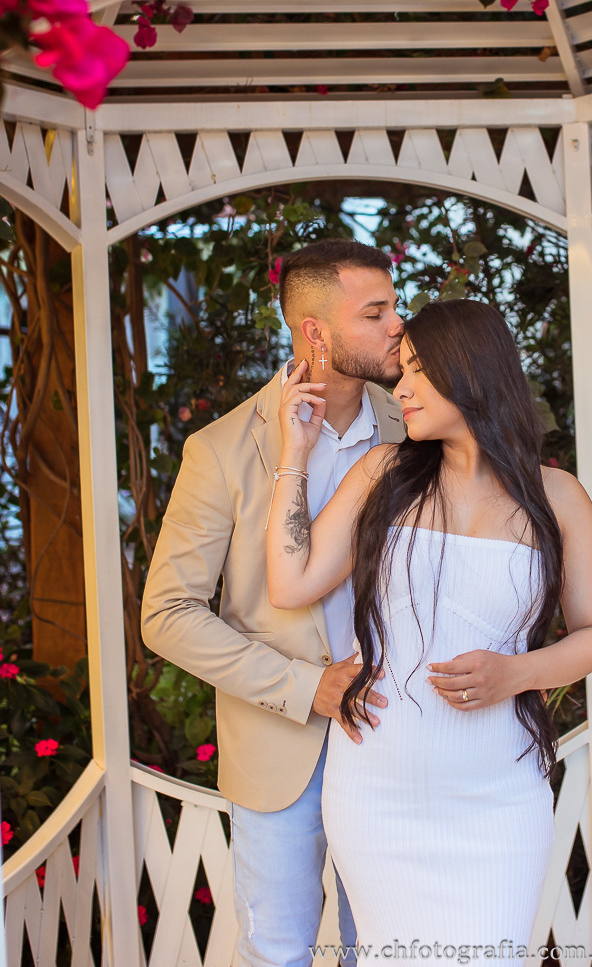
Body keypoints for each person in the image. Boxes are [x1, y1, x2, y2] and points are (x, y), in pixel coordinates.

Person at [266, 298, 592, 942]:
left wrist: (517, 673)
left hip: (500, 795)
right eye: (401, 370)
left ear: (471, 370)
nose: (401, 389)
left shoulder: (558, 497)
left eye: (418, 370)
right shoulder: (382, 474)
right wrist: (296, 453)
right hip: (376, 789)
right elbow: (290, 584)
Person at [141, 239, 406, 966]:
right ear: (314, 332)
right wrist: (303, 686)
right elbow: (167, 614)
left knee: (388, 950)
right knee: (276, 953)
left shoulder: (416, 430)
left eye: (395, 307)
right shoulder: (221, 449)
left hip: (396, 735)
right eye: (375, 313)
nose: (397, 326)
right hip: (278, 746)